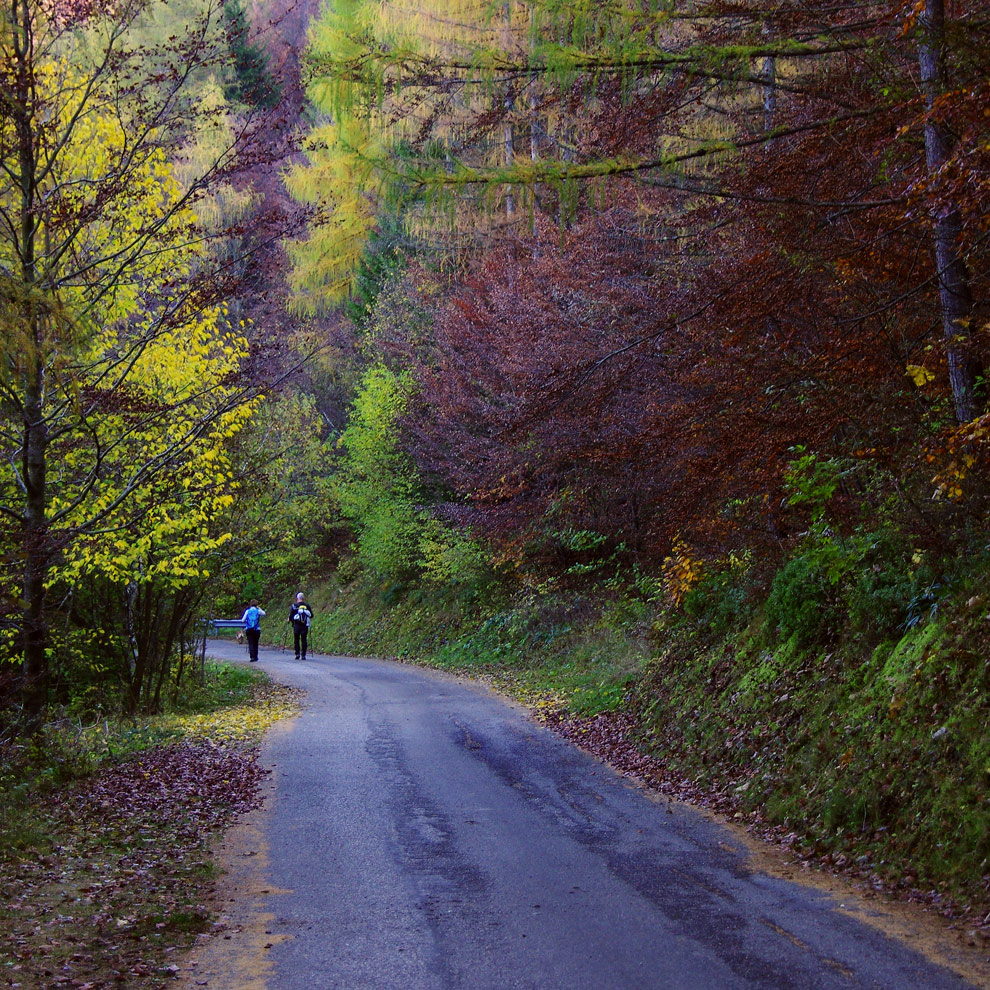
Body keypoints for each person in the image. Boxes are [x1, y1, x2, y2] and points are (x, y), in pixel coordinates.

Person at [287, 591, 313, 660]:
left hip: (296, 625)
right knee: (304, 639)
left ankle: (297, 654)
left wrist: (290, 620)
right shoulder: (307, 606)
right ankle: (303, 655)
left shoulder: (294, 606)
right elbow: (311, 615)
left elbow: (291, 616)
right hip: (305, 625)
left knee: (296, 639)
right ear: (303, 598)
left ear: (297, 598)